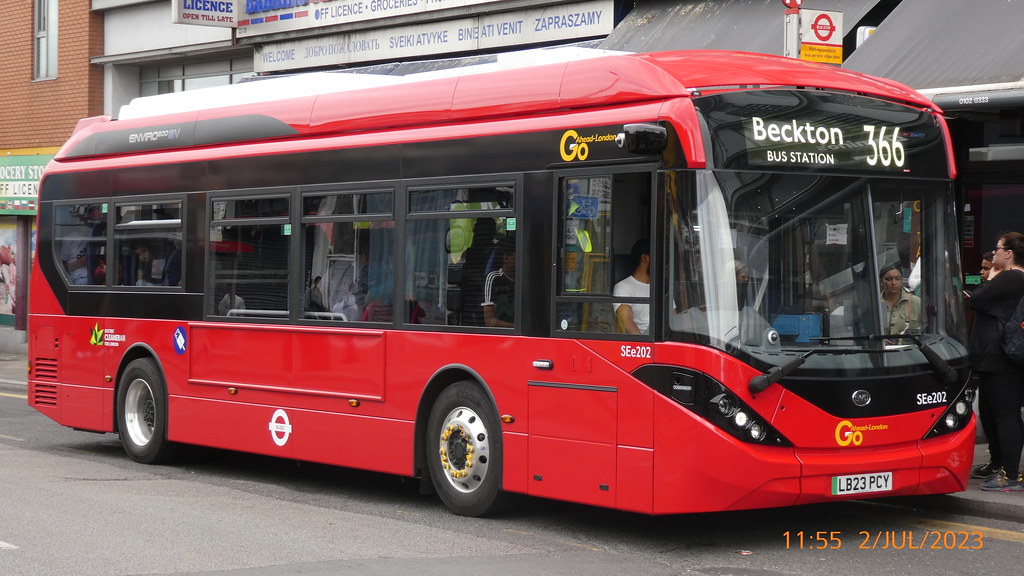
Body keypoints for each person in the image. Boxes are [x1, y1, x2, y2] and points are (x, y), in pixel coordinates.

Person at [968, 232, 1024, 491]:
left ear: (1009, 253)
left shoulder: (1013, 277)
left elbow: (977, 300)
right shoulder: (1012, 278)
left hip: (1002, 358)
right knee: (994, 414)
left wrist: (991, 277)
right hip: (995, 357)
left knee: (1005, 415)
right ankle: (1000, 466)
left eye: (997, 248)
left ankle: (1010, 474)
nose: (994, 253)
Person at [614, 238, 650, 335]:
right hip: (641, 344)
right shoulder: (623, 287)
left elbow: (673, 317)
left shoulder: (661, 288)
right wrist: (644, 346)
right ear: (645, 258)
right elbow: (627, 322)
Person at [481, 235, 515, 328]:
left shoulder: (523, 279)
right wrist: (516, 326)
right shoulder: (493, 278)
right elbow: (489, 322)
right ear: (506, 258)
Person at [879, 263, 921, 338]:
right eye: (889, 279)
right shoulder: (877, 303)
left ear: (902, 280)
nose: (894, 283)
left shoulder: (916, 302)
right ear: (881, 282)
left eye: (897, 278)